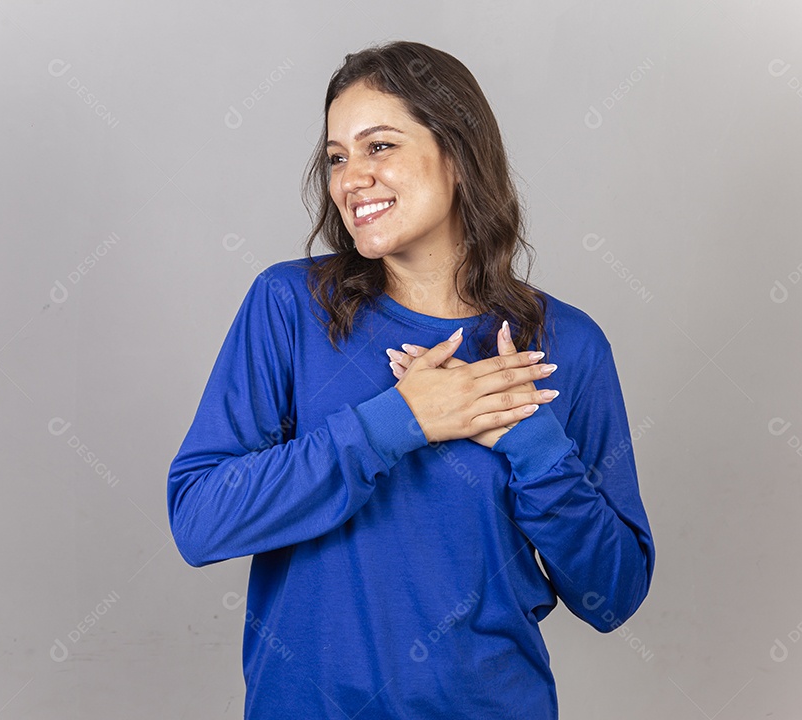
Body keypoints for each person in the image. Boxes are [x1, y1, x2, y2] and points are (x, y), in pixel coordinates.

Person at [167, 40, 654, 720]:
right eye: (337, 156)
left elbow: (614, 593)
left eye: (379, 147)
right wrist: (398, 421)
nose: (349, 178)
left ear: (457, 155)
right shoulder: (290, 309)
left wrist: (535, 446)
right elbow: (199, 520)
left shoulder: (565, 348)